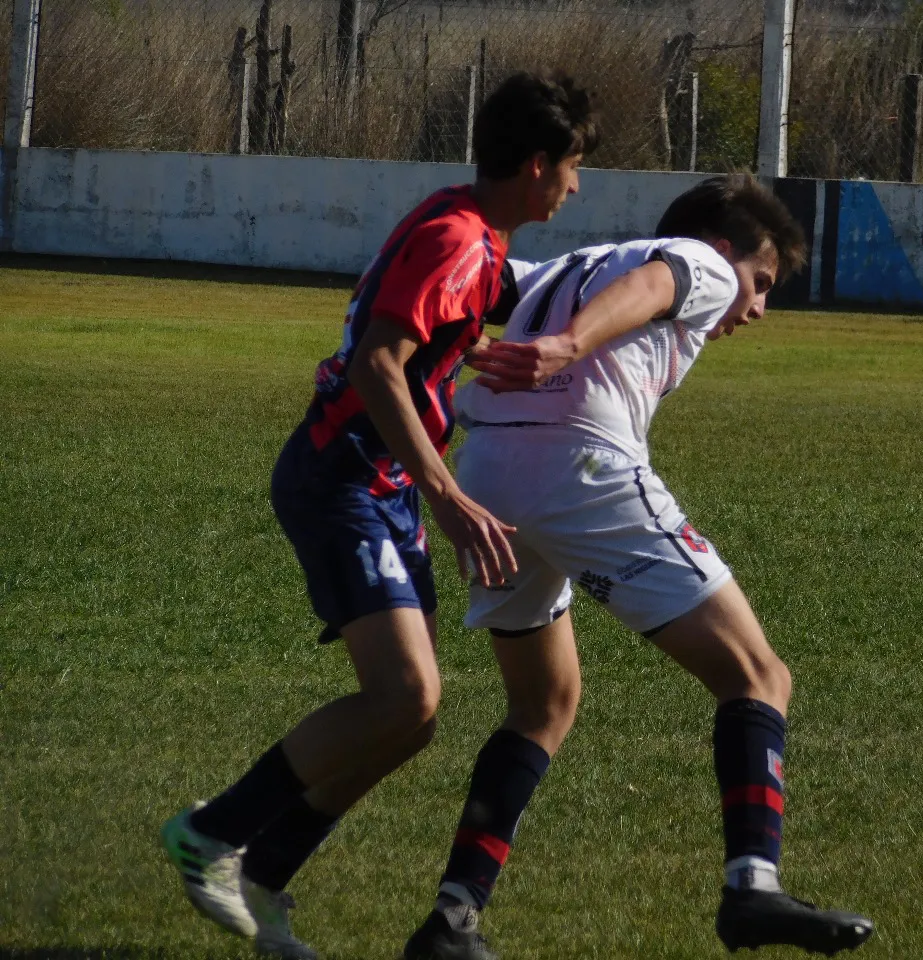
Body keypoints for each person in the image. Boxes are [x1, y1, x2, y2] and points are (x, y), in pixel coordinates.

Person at [159, 71, 598, 960]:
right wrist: (450, 496)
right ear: (538, 164)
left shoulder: (469, 228)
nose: (578, 184)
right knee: (405, 696)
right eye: (574, 165)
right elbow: (377, 364)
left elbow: (450, 328)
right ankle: (212, 832)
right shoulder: (456, 239)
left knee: (411, 717)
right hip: (344, 478)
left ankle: (265, 872)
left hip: (381, 483)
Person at [402, 174, 875, 960]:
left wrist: (472, 343)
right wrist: (567, 346)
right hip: (580, 467)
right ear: (722, 249)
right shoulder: (699, 260)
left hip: (486, 474)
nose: (758, 308)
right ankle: (753, 886)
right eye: (761, 282)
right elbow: (660, 283)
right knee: (759, 676)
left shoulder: (567, 265)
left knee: (543, 704)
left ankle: (452, 919)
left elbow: (462, 287)